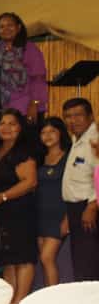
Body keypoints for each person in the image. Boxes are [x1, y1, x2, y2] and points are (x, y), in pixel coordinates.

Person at [0, 109, 39, 304]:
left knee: (23, 258)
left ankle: (19, 302)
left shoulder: (24, 151)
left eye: (12, 123)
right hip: (1, 212)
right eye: (2, 123)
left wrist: (4, 196)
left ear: (20, 128)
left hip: (20, 211)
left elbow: (30, 182)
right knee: (8, 259)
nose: (6, 127)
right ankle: (11, 298)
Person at [0, 13, 47, 129]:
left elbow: (38, 79)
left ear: (18, 28)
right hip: (1, 110)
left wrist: (34, 104)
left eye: (10, 25)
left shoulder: (30, 49)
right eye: (2, 27)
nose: (6, 29)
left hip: (27, 108)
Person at [61, 98, 99, 281]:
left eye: (78, 115)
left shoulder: (95, 140)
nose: (72, 120)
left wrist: (92, 206)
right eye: (68, 116)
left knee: (89, 264)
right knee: (81, 261)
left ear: (90, 116)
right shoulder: (77, 140)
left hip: (89, 208)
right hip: (76, 209)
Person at [36, 117, 71, 286]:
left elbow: (74, 189)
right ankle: (47, 295)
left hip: (59, 214)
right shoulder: (39, 157)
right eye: (43, 132)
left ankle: (53, 298)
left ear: (61, 133)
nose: (47, 135)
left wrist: (67, 218)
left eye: (52, 131)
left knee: (47, 258)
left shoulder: (69, 156)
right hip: (40, 214)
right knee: (44, 260)